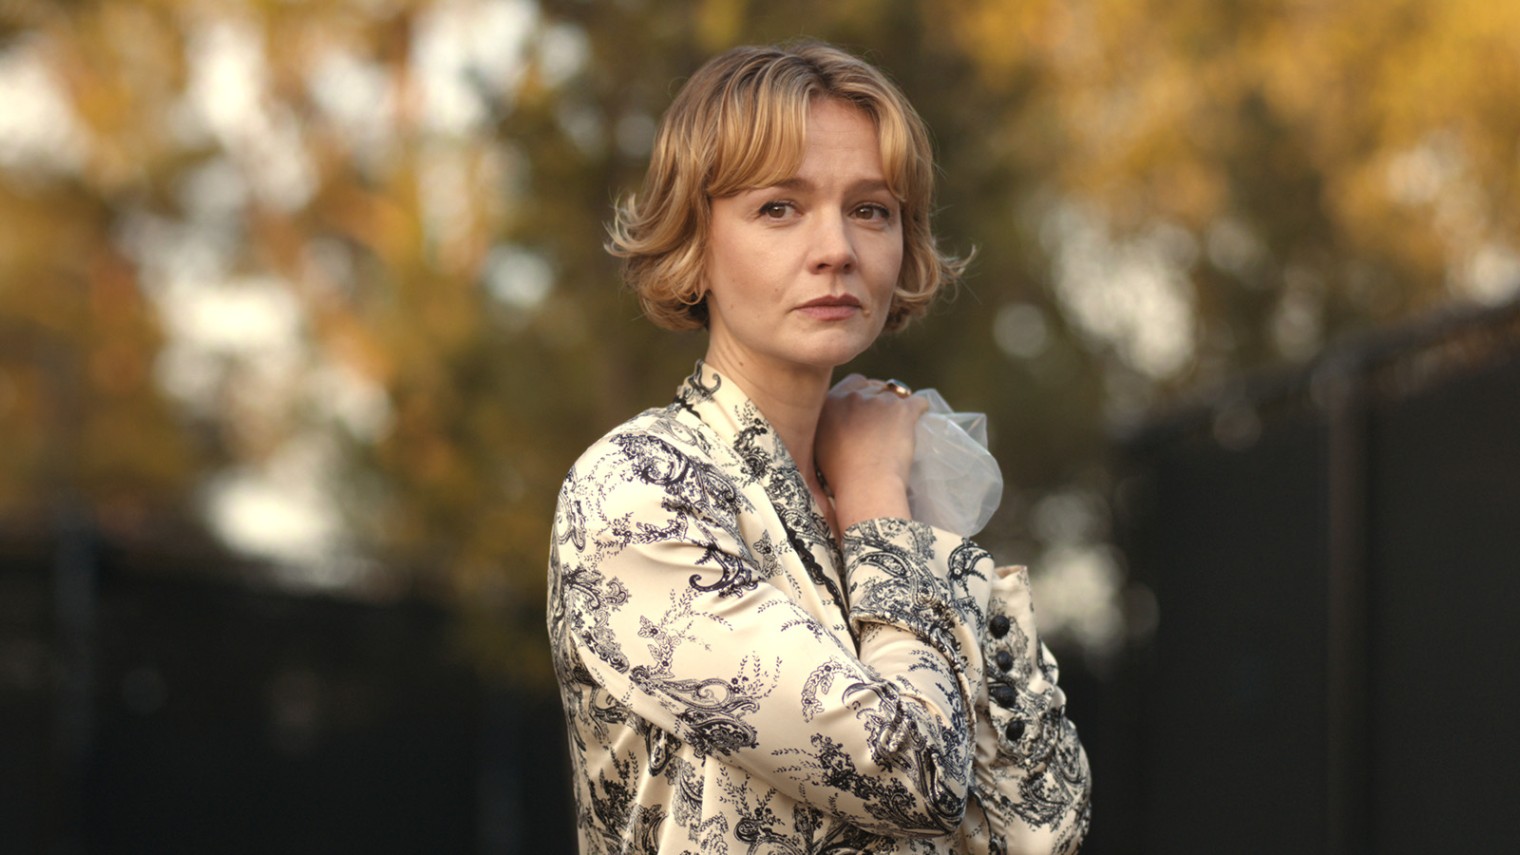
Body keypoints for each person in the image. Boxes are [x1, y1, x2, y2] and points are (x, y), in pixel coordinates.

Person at [547, 41, 1090, 854]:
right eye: (779, 207)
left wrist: (888, 503)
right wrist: (878, 506)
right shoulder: (635, 493)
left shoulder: (898, 473)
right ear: (696, 240)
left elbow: (1045, 822)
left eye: (870, 209)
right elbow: (914, 776)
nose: (837, 247)